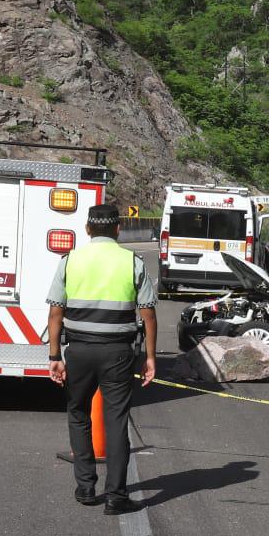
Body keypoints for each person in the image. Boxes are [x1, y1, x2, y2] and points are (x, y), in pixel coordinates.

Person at [46, 204, 157, 515]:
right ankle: (116, 497)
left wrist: (55, 355)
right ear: (118, 229)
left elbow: (56, 312)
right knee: (116, 421)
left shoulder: (70, 260)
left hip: (79, 350)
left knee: (78, 413)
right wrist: (150, 357)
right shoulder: (132, 261)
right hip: (118, 353)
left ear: (87, 229)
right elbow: (148, 315)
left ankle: (85, 487)